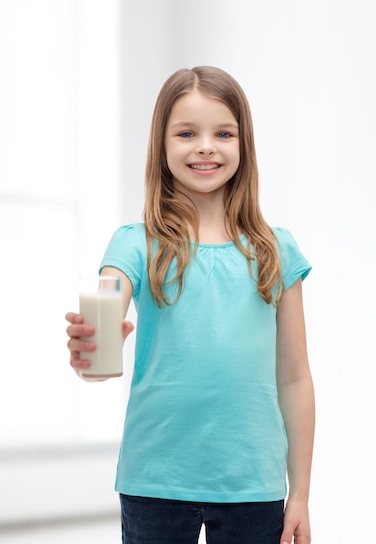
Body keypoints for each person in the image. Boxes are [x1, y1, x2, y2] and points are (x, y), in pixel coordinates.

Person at [66, 66, 314, 544]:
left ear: (244, 145)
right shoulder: (133, 245)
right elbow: (105, 323)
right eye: (186, 133)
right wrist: (93, 351)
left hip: (253, 486)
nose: (205, 146)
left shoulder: (276, 250)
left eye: (223, 132)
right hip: (154, 482)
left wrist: (299, 493)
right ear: (162, 146)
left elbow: (295, 377)